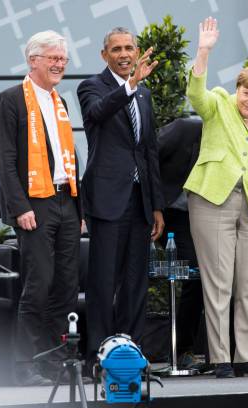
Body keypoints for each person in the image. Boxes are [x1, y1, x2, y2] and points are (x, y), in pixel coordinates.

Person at [185, 17, 248, 378]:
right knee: (219, 284)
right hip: (212, 201)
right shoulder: (219, 104)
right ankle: (221, 358)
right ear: (237, 88)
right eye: (247, 92)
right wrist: (203, 51)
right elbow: (196, 92)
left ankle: (246, 357)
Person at [0, 30, 82, 386]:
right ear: (33, 61)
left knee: (65, 287)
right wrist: (19, 206)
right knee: (39, 284)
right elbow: (5, 157)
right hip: (34, 204)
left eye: (63, 58)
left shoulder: (60, 101)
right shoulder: (11, 99)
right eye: (53, 58)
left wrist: (80, 207)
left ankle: (55, 362)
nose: (59, 64)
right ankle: (24, 365)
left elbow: (70, 157)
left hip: (66, 200)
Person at [77, 27, 165, 366]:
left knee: (135, 281)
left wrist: (156, 204)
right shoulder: (91, 87)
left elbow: (149, 150)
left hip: (140, 200)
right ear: (104, 55)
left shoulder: (143, 94)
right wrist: (129, 86)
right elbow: (97, 114)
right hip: (107, 199)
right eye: (117, 49)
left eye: (129, 48)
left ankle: (131, 352)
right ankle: (98, 355)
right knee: (103, 281)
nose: (124, 54)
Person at [156, 117, 205, 368]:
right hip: (172, 213)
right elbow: (147, 157)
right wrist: (154, 209)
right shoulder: (187, 128)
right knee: (194, 271)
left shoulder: (238, 139)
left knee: (212, 275)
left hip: (209, 214)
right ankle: (181, 350)